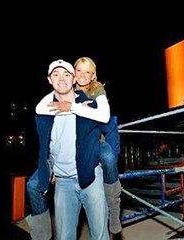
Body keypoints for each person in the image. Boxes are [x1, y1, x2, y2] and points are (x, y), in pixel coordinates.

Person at [35, 57, 122, 235]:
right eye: (56, 75)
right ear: (49, 79)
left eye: (66, 74)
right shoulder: (45, 110)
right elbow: (45, 143)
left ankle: (114, 205)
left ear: (72, 78)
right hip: (62, 182)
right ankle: (40, 234)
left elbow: (109, 124)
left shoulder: (93, 100)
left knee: (108, 156)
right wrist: (49, 168)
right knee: (33, 186)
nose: (61, 78)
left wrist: (75, 108)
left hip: (91, 177)